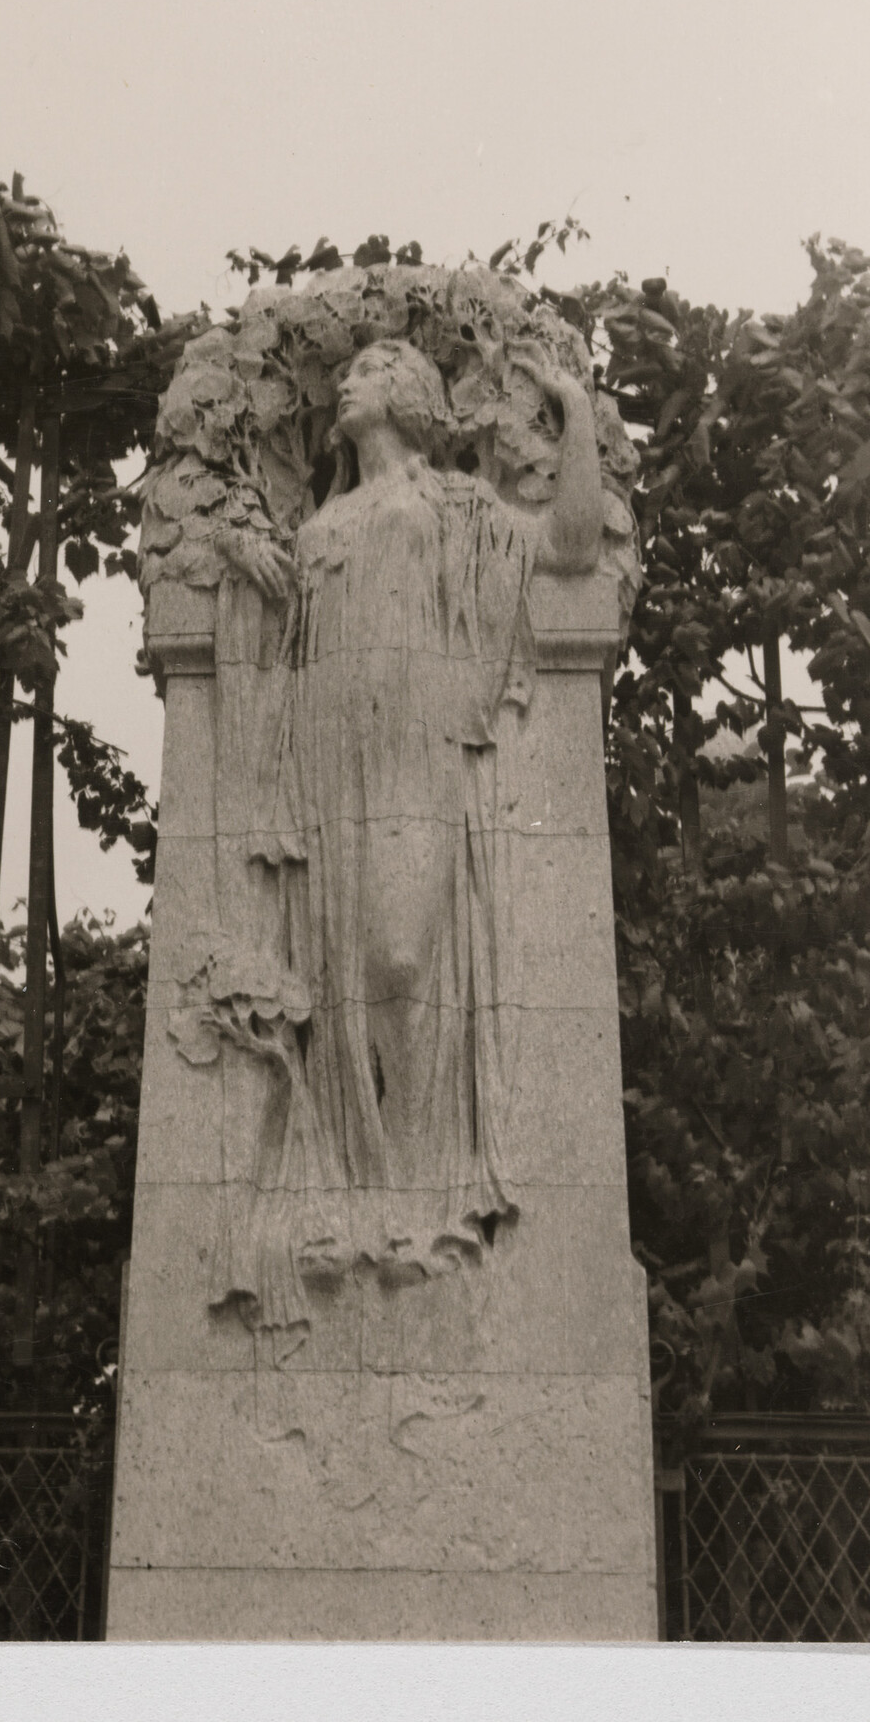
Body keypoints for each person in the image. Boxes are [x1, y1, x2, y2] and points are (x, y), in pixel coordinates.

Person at [212, 336, 603, 1328]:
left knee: (400, 955)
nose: (347, 379)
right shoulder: (321, 527)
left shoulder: (459, 507)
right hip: (330, 760)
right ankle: (359, 1201)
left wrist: (576, 412)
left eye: (369, 367)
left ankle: (437, 1190)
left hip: (419, 748)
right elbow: (273, 650)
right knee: (340, 977)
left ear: (406, 391)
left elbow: (568, 545)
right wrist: (247, 565)